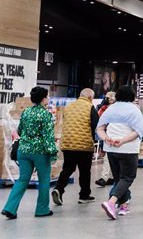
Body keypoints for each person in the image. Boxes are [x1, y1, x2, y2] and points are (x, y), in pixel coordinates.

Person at [2, 87, 58, 220]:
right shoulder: (46, 114)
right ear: (43, 99)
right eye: (47, 96)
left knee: (22, 180)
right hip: (40, 153)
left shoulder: (26, 112)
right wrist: (53, 154)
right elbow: (48, 137)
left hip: (23, 151)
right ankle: (42, 209)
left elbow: (20, 130)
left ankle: (10, 208)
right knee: (44, 180)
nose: (48, 99)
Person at [96, 86, 143, 220]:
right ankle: (111, 203)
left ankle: (123, 206)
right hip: (128, 149)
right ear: (132, 97)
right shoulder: (134, 110)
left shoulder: (110, 108)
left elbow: (100, 128)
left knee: (118, 178)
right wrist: (123, 141)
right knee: (128, 177)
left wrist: (106, 138)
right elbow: (139, 131)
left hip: (110, 148)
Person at [52, 88, 99, 206]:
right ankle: (84, 195)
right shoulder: (90, 108)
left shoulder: (68, 107)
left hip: (67, 144)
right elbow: (96, 126)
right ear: (90, 98)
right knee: (84, 171)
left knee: (67, 168)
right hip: (83, 145)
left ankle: (59, 188)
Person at [95, 91, 117, 187]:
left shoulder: (116, 108)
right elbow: (99, 118)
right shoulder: (103, 107)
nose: (108, 99)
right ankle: (110, 177)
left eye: (109, 98)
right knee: (109, 156)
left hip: (112, 133)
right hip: (107, 133)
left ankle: (105, 177)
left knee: (109, 156)